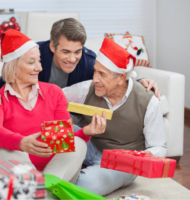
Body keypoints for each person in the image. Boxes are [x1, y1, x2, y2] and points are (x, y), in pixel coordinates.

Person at [0, 29, 107, 183]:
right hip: (21, 171)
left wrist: (86, 132)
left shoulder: (54, 93)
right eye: (31, 62)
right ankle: (45, 192)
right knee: (5, 151)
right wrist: (21, 143)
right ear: (13, 66)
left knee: (79, 144)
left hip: (54, 171)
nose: (39, 68)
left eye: (39, 60)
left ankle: (42, 189)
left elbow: (62, 141)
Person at [0, 18, 160, 117]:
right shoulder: (35, 55)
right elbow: (5, 79)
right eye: (66, 51)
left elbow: (112, 79)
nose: (72, 59)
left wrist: (138, 82)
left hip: (68, 117)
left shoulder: (88, 62)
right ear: (52, 47)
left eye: (77, 51)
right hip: (35, 115)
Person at [62, 38, 167, 195]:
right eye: (95, 71)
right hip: (91, 145)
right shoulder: (87, 88)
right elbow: (55, 97)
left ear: (121, 79)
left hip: (122, 163)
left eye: (102, 74)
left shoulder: (148, 102)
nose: (95, 78)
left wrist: (149, 154)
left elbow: (160, 146)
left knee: (82, 187)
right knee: (59, 128)